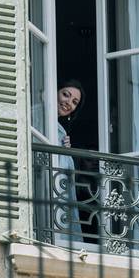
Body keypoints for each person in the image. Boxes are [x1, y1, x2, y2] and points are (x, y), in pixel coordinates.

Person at [51, 79, 84, 243]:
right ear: (55, 91)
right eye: (66, 95)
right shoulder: (36, 114)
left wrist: (67, 153)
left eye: (74, 102)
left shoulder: (60, 131)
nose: (68, 103)